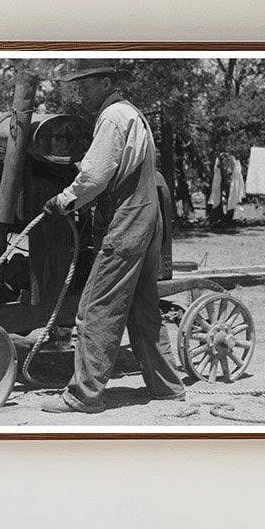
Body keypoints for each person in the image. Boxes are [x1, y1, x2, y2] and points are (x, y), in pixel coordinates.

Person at [40, 60, 185, 414]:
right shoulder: (131, 114)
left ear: (106, 83)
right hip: (147, 216)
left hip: (128, 218)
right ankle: (167, 387)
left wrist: (62, 201)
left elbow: (94, 176)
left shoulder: (113, 117)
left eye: (86, 86)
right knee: (142, 308)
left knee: (95, 307)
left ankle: (83, 395)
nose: (81, 93)